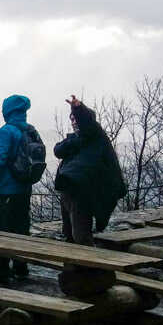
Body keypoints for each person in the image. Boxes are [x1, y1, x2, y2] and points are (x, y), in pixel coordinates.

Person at [53, 95, 127, 246]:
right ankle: (73, 267)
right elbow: (58, 150)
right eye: (71, 119)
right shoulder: (75, 140)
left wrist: (78, 108)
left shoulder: (95, 133)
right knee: (68, 233)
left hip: (84, 191)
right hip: (69, 189)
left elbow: (86, 120)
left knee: (81, 235)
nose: (74, 121)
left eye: (76, 118)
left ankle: (91, 267)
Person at [0, 94, 36, 283]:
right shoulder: (29, 130)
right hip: (24, 189)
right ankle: (21, 267)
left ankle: (0, 271)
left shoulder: (7, 131)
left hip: (5, 190)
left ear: (7, 111)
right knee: (20, 228)